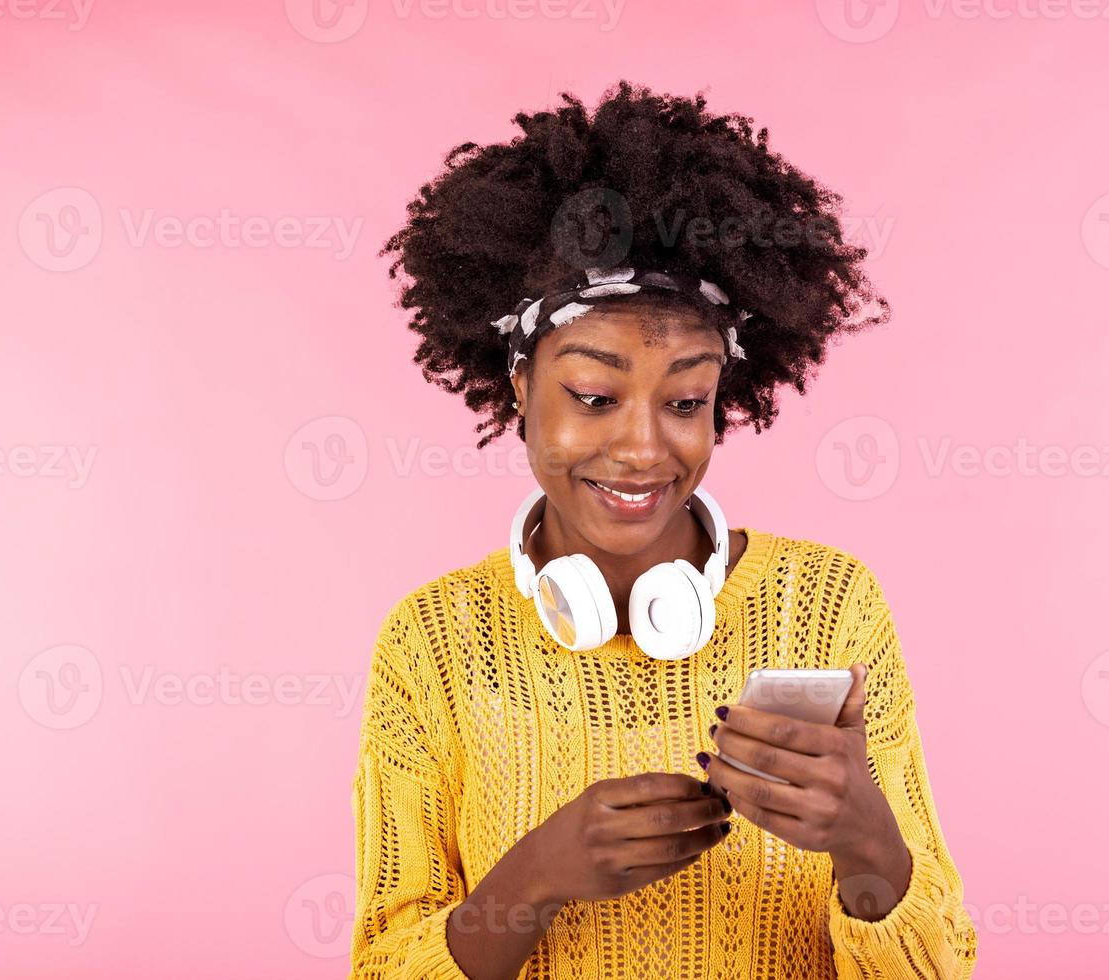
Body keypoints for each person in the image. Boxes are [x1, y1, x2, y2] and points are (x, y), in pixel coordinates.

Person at [349, 80, 978, 979]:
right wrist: (531, 879)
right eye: (594, 397)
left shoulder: (830, 603)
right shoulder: (433, 643)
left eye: (685, 400)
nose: (643, 449)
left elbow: (940, 968)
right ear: (522, 387)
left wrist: (870, 847)